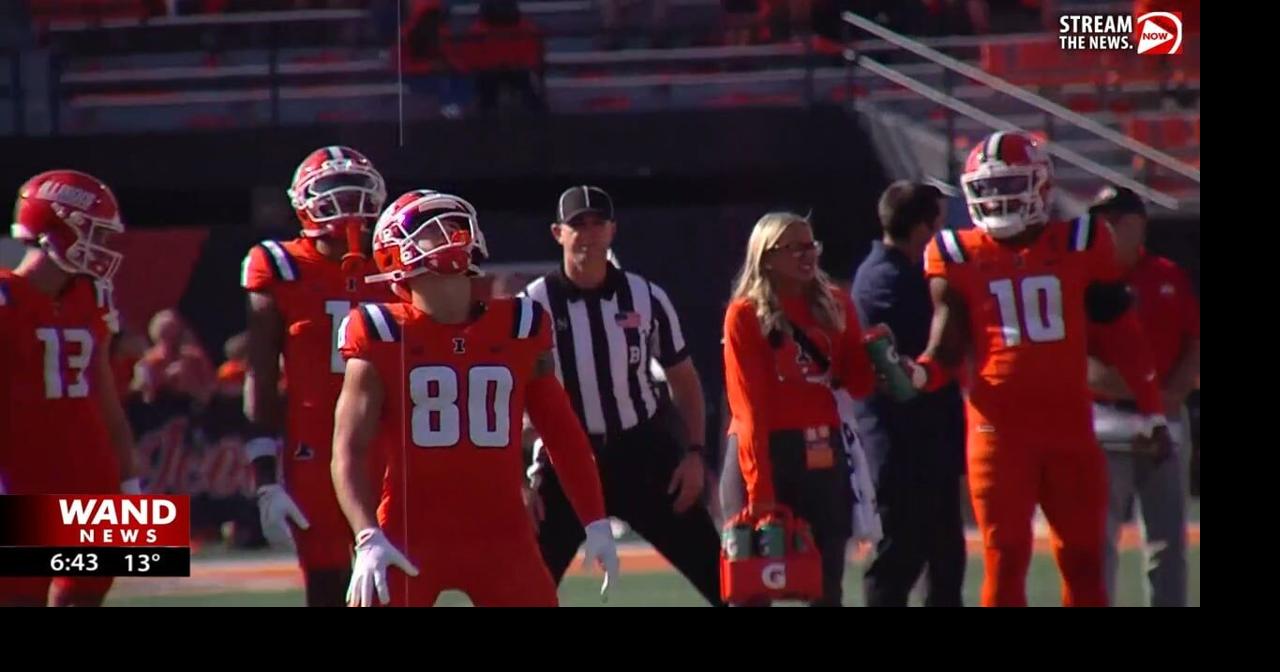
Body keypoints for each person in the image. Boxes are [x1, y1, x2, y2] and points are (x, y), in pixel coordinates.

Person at [915, 130, 1173, 606]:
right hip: (998, 431)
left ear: (1042, 185)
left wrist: (1153, 409)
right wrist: (920, 373)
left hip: (1069, 427)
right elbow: (946, 344)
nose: (998, 199)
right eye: (988, 188)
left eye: (1010, 184)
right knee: (1005, 557)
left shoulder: (1081, 239)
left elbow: (1122, 331)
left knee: (1083, 560)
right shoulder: (955, 251)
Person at [331, 189, 618, 607]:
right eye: (428, 228)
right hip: (408, 535)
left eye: (453, 223)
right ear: (393, 251)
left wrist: (594, 519)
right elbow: (349, 450)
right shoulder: (379, 331)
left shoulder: (520, 323)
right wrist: (367, 535)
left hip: (502, 536)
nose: (447, 232)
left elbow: (562, 432)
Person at [520, 186, 723, 605]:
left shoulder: (646, 297)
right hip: (565, 457)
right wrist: (518, 481)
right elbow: (509, 397)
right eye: (578, 224)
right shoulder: (532, 305)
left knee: (721, 576)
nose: (589, 234)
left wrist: (694, 454)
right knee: (523, 589)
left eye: (598, 223)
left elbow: (684, 380)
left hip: (642, 450)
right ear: (558, 233)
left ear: (613, 230)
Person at [239, 145, 392, 607]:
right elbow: (261, 376)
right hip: (314, 445)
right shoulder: (281, 265)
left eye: (356, 192)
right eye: (334, 193)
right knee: (326, 584)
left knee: (394, 585)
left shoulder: (395, 263)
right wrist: (265, 475)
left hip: (388, 442)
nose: (347, 205)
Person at [720, 211, 878, 606]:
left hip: (821, 452)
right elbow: (749, 408)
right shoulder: (745, 314)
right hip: (759, 453)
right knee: (750, 588)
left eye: (811, 246)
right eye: (794, 248)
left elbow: (858, 385)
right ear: (767, 256)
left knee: (825, 587)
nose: (807, 255)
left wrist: (872, 350)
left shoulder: (835, 303)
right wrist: (761, 492)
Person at [0, 169, 141, 607]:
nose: (104, 247)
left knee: (87, 594)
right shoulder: (6, 297)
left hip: (89, 469)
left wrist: (130, 479)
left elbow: (107, 401)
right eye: (95, 233)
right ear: (55, 229)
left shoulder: (92, 297)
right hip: (20, 473)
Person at [852, 181, 967, 607]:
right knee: (898, 560)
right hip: (903, 445)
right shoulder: (888, 280)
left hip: (925, 443)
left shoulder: (893, 274)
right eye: (938, 224)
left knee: (944, 562)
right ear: (923, 228)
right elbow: (917, 359)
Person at [1086, 185, 1199, 607]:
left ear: (1140, 225)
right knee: (1098, 537)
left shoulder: (1168, 274)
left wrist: (1173, 391)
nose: (1109, 229)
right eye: (1102, 222)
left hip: (1165, 417)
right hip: (1106, 417)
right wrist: (1133, 388)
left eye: (1118, 220)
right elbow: (1073, 352)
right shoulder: (1086, 281)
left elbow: (1193, 339)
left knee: (1167, 539)